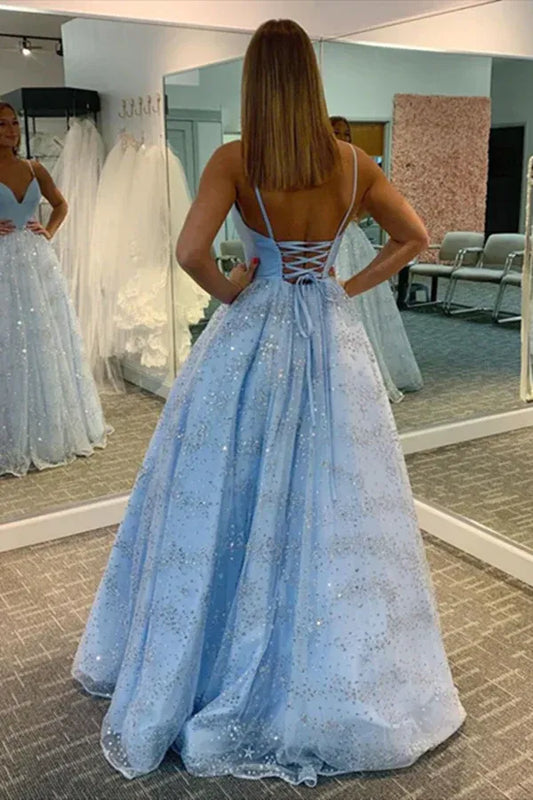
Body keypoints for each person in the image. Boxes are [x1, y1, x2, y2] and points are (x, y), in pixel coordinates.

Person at [72, 20, 465, 786]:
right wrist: (345, 287)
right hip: (328, 331)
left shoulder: (235, 160)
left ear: (254, 83)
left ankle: (217, 649)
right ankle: (330, 663)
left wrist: (232, 290)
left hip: (255, 333)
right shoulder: (352, 163)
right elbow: (414, 235)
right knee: (334, 489)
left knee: (228, 479)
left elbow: (190, 252)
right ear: (311, 81)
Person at [0, 103, 110, 476]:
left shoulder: (34, 168)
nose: (11, 129)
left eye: (14, 122)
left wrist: (48, 230)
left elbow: (61, 204)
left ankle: (50, 428)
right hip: (2, 261)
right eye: (2, 124)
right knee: (8, 340)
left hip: (36, 260)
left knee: (45, 338)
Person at [329, 115, 423, 402]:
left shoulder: (360, 167)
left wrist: (356, 215)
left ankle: (365, 371)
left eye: (346, 133)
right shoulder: (318, 168)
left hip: (351, 240)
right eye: (335, 132)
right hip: (328, 244)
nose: (342, 138)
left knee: (362, 303)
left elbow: (377, 205)